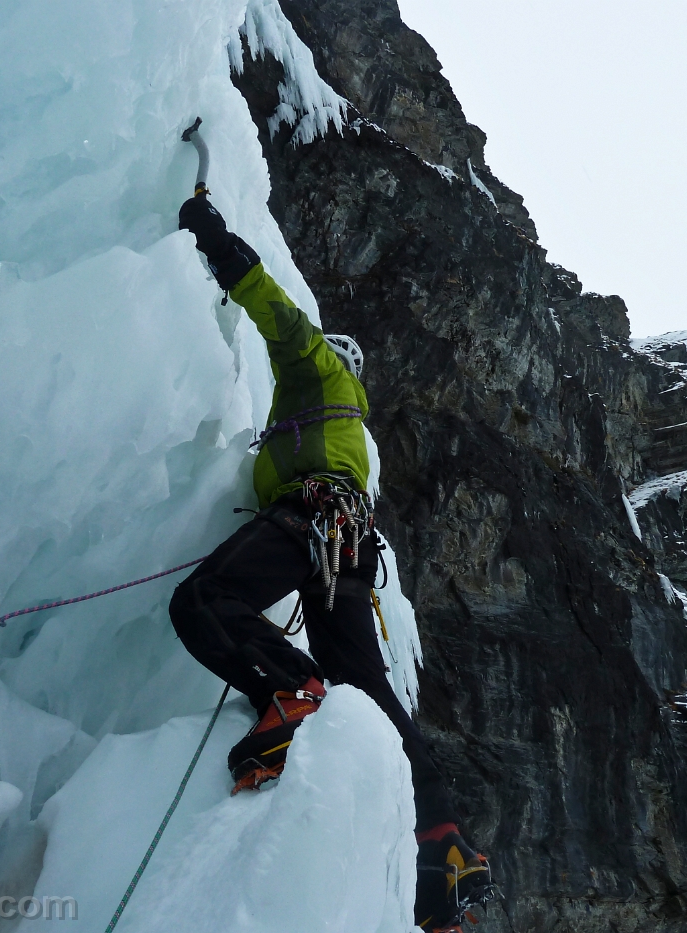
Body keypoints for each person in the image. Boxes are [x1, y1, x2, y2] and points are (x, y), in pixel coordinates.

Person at [168, 194, 494, 930]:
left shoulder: (318, 373)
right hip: (342, 538)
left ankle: (293, 699)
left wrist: (219, 244)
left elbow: (281, 319)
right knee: (365, 679)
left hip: (312, 519)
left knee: (205, 600)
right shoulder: (331, 427)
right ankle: (440, 841)